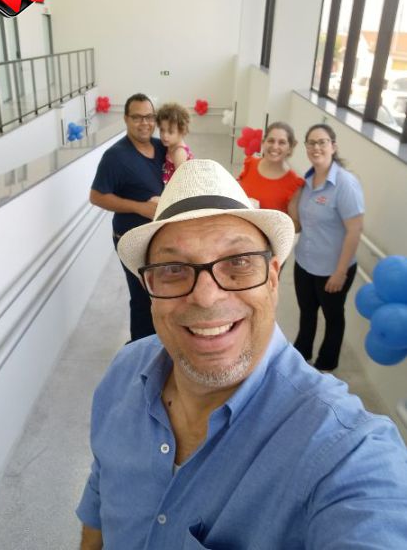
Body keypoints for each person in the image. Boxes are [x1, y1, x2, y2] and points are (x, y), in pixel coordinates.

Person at [77, 159, 407, 550]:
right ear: (149, 289)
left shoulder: (345, 449)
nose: (206, 297)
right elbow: (101, 494)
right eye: (173, 268)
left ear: (273, 278)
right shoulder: (123, 372)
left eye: (238, 263)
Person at [89, 92, 166, 341]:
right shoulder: (116, 156)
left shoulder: (160, 147)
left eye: (149, 117)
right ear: (126, 119)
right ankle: (139, 349)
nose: (145, 123)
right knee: (142, 297)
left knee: (161, 295)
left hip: (159, 237)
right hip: (131, 239)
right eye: (137, 117)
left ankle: (161, 343)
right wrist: (139, 208)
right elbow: (97, 196)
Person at [291, 123, 364, 371]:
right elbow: (302, 223)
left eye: (322, 142)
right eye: (311, 143)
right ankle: (301, 355)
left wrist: (340, 272)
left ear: (333, 146)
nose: (316, 147)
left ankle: (326, 364)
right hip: (305, 263)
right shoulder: (307, 180)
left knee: (333, 318)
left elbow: (355, 230)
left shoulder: (345, 183)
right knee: (307, 312)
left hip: (333, 269)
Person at [237, 121, 304, 213]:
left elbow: (293, 220)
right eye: (271, 141)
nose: (275, 146)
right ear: (263, 142)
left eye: (282, 142)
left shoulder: (294, 183)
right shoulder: (250, 164)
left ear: (290, 148)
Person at [156, 102, 194, 184]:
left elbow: (181, 180)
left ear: (182, 131)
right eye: (162, 130)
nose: (165, 135)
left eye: (170, 132)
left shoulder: (179, 153)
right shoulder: (172, 145)